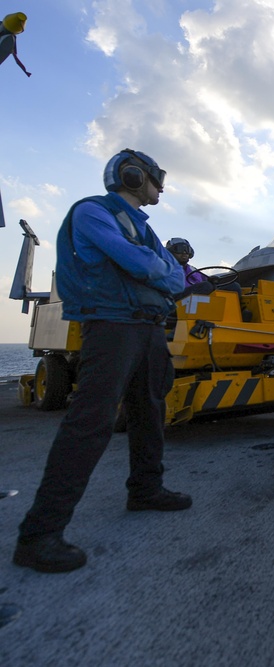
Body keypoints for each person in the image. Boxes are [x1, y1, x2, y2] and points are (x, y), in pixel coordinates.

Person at [13, 149, 190, 574]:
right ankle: (40, 534)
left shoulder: (142, 227)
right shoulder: (93, 212)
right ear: (132, 176)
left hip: (146, 326)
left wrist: (161, 272)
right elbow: (141, 265)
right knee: (90, 420)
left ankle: (145, 489)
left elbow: (173, 273)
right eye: (155, 176)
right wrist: (161, 273)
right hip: (112, 324)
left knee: (149, 409)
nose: (161, 185)